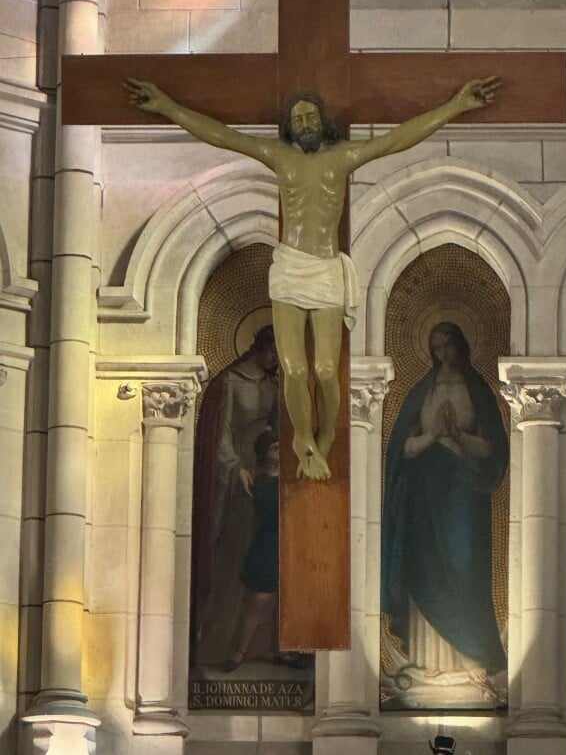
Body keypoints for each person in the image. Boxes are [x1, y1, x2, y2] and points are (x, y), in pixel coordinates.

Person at [125, 75, 501, 481]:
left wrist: (455, 106)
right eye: (297, 117)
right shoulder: (278, 156)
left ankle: (322, 444)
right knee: (293, 368)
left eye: (310, 116)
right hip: (289, 266)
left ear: (323, 122)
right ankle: (302, 440)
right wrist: (167, 107)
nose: (304, 122)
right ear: (289, 126)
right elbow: (222, 136)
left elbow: (396, 140)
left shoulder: (341, 158)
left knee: (324, 370)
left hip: (325, 269)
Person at [381, 322, 508, 686]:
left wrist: (457, 437)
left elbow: (493, 448)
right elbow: (401, 448)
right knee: (424, 562)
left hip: (463, 489)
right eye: (437, 346)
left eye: (449, 344)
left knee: (464, 562)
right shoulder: (423, 390)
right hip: (423, 487)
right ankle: (430, 656)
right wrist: (434, 436)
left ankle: (471, 652)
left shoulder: (478, 390)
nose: (443, 352)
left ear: (463, 345)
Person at [192, 326, 278, 667]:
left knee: (270, 564)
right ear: (259, 347)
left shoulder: (274, 387)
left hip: (267, 476)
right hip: (237, 482)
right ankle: (219, 641)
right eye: (271, 350)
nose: (274, 357)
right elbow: (220, 434)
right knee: (233, 557)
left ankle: (263, 645)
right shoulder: (228, 383)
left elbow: (278, 432)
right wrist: (236, 467)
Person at [224, 430, 280, 671]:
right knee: (259, 601)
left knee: (284, 603)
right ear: (264, 454)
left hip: (288, 544)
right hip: (268, 544)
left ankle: (280, 649)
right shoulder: (260, 480)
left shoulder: (290, 478)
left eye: (281, 447)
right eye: (274, 448)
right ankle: (239, 651)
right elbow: (269, 512)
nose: (279, 452)